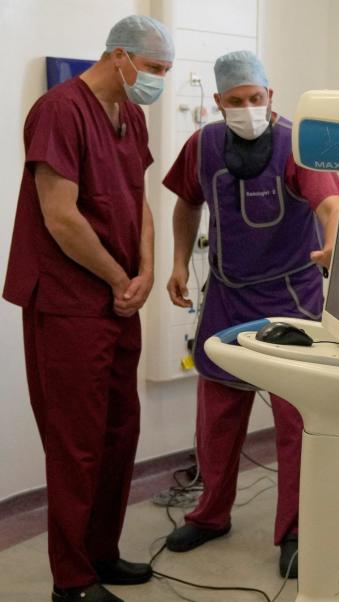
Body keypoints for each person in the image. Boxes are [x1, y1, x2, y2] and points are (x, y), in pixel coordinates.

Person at [2, 15, 173, 602]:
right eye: (153, 69)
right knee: (75, 442)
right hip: (69, 302)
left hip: (118, 300)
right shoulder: (60, 110)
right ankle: (71, 580)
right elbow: (60, 215)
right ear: (119, 55)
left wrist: (146, 272)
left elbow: (140, 203)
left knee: (120, 432)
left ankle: (101, 552)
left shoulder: (132, 115)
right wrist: (120, 276)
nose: (157, 82)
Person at [161, 50, 339, 579]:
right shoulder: (203, 145)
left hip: (292, 298)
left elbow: (329, 204)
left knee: (294, 420)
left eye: (255, 99)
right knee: (216, 418)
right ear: (217, 102)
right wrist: (177, 263)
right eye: (235, 102)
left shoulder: (295, 145)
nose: (246, 109)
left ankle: (295, 532)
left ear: (271, 96)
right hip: (227, 294)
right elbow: (186, 202)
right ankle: (210, 514)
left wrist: (333, 244)